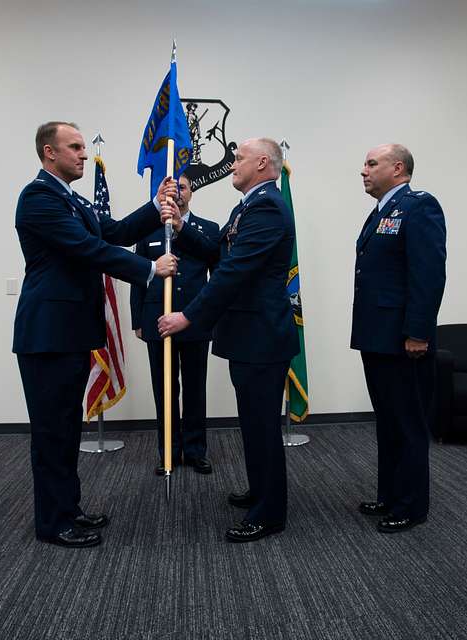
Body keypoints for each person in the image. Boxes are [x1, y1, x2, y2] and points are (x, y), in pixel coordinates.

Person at [13, 121, 178, 548]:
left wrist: (155, 203)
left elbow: (116, 232)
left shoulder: (73, 200)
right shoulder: (38, 198)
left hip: (70, 333)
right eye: (75, 147)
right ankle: (53, 523)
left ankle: (69, 509)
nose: (84, 154)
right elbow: (88, 249)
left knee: (68, 429)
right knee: (52, 432)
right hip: (47, 334)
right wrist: (148, 269)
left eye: (84, 147)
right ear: (49, 152)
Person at [158, 138, 299, 543]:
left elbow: (233, 272)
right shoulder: (247, 206)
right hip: (249, 335)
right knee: (254, 425)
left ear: (261, 163)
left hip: (262, 338)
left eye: (238, 159)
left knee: (262, 428)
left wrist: (189, 315)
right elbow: (217, 254)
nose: (231, 163)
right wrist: (182, 228)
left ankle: (269, 514)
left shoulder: (267, 207)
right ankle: (261, 492)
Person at [351, 143, 446, 533]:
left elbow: (428, 274)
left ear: (399, 168)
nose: (364, 170)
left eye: (372, 163)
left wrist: (418, 333)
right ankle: (390, 494)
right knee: (387, 422)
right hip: (377, 337)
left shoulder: (420, 206)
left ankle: (411, 504)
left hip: (405, 340)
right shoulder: (381, 212)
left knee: (408, 423)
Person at [131, 174, 219, 475]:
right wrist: (137, 320)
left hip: (194, 320)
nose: (178, 192)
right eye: (172, 188)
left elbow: (216, 267)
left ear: (192, 192)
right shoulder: (148, 231)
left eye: (182, 187)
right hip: (157, 320)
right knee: (164, 389)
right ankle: (168, 451)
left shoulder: (208, 230)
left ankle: (195, 451)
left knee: (195, 389)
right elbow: (137, 280)